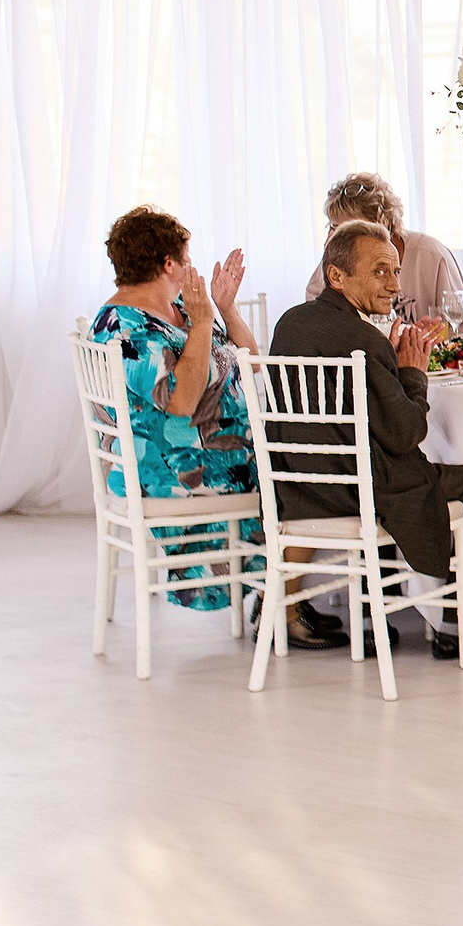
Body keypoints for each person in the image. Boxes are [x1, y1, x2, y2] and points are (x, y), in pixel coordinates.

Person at [268, 220, 463, 659]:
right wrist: (413, 375)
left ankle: (372, 613)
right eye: (380, 271)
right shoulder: (365, 340)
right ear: (337, 276)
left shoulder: (290, 324)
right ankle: (461, 625)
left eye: (396, 271)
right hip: (359, 489)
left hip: (298, 484)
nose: (394, 284)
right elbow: (406, 434)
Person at [88, 207, 285, 625]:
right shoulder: (122, 328)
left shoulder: (179, 305)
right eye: (187, 258)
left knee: (304, 468)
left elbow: (250, 366)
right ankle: (286, 607)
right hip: (176, 468)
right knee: (305, 477)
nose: (192, 266)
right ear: (168, 264)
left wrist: (226, 310)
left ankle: (286, 599)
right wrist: (201, 324)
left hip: (219, 449)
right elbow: (179, 400)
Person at [301, 172, 463, 325]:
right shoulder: (337, 263)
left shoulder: (430, 255)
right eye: (333, 227)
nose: (334, 238)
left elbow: (461, 326)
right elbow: (317, 318)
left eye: (345, 230)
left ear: (379, 227)